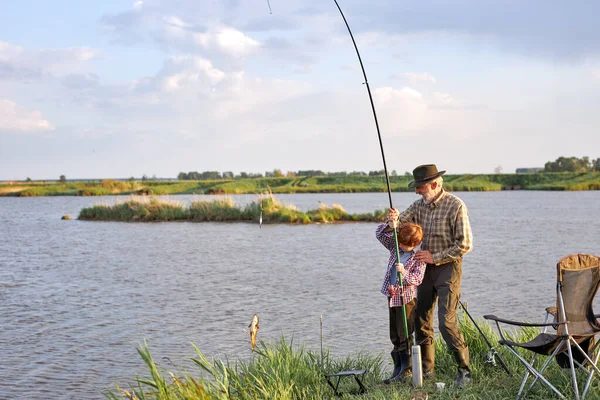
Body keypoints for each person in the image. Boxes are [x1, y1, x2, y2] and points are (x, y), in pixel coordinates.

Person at [387, 164, 473, 387]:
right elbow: (399, 226)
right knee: (421, 320)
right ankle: (426, 372)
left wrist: (435, 257)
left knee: (447, 322)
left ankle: (464, 371)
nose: (417, 191)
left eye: (420, 187)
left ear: (435, 184)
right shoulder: (418, 206)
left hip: (448, 269)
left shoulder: (456, 205)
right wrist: (393, 221)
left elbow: (465, 245)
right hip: (422, 270)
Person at [376, 221, 426, 384]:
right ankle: (397, 368)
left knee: (404, 333)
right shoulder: (394, 248)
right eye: (400, 242)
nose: (401, 246)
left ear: (414, 244)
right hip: (392, 296)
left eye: (405, 244)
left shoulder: (418, 259)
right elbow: (380, 234)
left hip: (406, 300)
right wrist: (391, 224)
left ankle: (406, 370)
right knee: (394, 334)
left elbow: (417, 279)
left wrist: (403, 272)